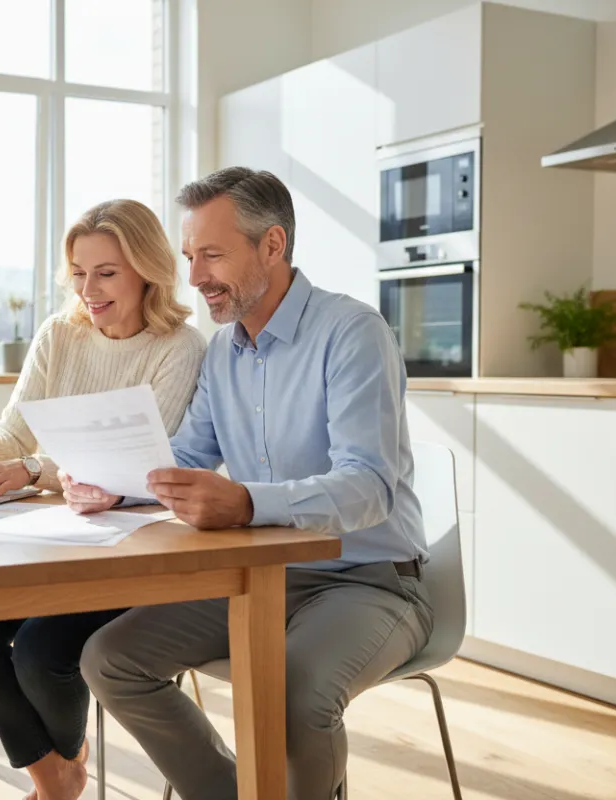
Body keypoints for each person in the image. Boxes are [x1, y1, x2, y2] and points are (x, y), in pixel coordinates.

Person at [61, 168, 435, 800]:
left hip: (371, 578)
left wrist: (247, 503)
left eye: (213, 254)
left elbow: (369, 485)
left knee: (291, 689)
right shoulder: (222, 353)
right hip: (263, 578)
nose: (196, 274)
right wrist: (117, 485)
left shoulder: (351, 334)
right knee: (110, 659)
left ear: (272, 246)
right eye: (190, 256)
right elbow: (186, 454)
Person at [0, 198, 206, 800]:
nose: (88, 290)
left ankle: (58, 776)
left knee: (43, 651)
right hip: (61, 540)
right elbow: (15, 436)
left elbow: (152, 467)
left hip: (140, 549)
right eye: (77, 272)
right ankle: (58, 775)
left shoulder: (179, 347)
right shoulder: (59, 332)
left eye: (105, 273)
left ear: (147, 269)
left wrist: (34, 470)